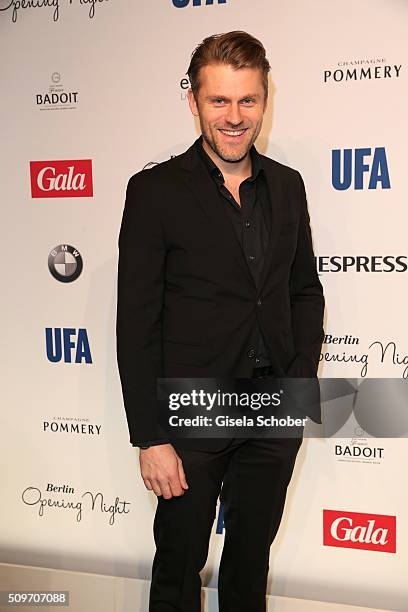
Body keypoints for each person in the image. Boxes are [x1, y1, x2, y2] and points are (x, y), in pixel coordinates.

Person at [116, 30, 325, 612]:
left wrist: (299, 381)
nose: (235, 118)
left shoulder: (287, 185)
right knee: (178, 566)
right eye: (219, 101)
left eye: (248, 100)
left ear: (265, 99)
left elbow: (304, 292)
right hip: (191, 410)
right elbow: (136, 322)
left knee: (249, 566)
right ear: (193, 101)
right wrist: (150, 435)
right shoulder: (153, 191)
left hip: (272, 407)